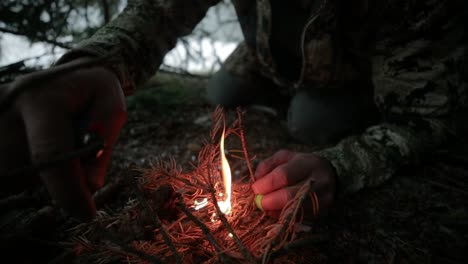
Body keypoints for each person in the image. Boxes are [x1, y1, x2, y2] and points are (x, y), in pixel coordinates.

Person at [0, 0, 466, 221]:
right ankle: (278, 81)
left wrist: (340, 164)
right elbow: (156, 13)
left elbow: (428, 115)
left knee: (310, 121)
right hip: (269, 59)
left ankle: (311, 99)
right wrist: (96, 62)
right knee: (223, 88)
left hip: (348, 72)